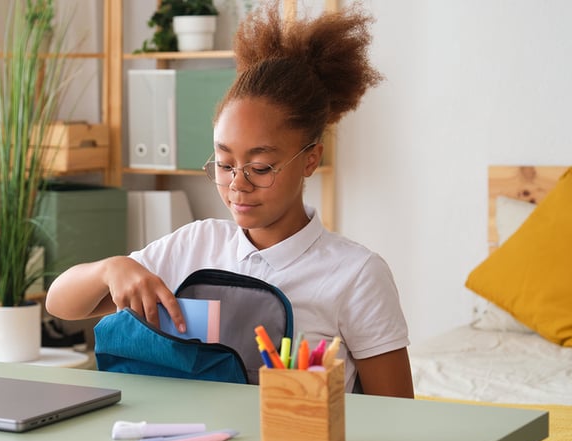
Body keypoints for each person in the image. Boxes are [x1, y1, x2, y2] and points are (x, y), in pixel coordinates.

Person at [46, 1, 413, 398]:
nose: (237, 185)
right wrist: (111, 269)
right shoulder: (194, 245)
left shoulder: (357, 275)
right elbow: (60, 304)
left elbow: (397, 416)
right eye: (224, 164)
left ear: (310, 159)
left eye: (260, 167)